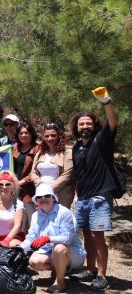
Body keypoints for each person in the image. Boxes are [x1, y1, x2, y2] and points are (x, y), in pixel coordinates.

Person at [68, 87, 118, 291]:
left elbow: (113, 123)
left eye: (88, 123)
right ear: (76, 127)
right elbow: (79, 174)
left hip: (99, 197)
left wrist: (106, 102)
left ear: (94, 125)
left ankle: (102, 275)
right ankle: (90, 270)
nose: (85, 126)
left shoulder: (101, 140)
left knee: (98, 236)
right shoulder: (77, 147)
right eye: (82, 123)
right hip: (83, 198)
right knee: (86, 235)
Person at [20, 184, 86, 293]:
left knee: (59, 248)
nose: (43, 199)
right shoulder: (36, 215)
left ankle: (60, 283)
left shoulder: (63, 212)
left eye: (47, 196)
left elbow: (67, 239)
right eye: (39, 197)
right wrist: (18, 249)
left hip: (72, 252)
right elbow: (31, 237)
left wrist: (48, 238)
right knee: (34, 261)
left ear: (53, 198)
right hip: (51, 251)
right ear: (36, 200)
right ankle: (60, 269)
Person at [30, 123, 75, 208]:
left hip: (61, 195)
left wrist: (49, 190)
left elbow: (67, 174)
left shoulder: (67, 152)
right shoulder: (40, 153)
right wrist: (40, 186)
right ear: (43, 138)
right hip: (42, 195)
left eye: (53, 135)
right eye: (47, 136)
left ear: (59, 136)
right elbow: (33, 172)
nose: (50, 138)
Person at [0, 170, 25, 247]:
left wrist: (7, 240)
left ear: (13, 186)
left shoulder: (18, 204)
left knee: (12, 245)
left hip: (13, 237)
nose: (4, 187)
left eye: (7, 184)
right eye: (1, 184)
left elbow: (17, 225)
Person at [13, 122, 41, 229]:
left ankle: (33, 244)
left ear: (31, 134)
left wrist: (21, 182)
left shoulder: (37, 148)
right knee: (18, 218)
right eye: (21, 133)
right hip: (16, 189)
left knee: (32, 218)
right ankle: (18, 244)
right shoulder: (15, 147)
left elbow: (37, 170)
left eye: (26, 133)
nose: (24, 135)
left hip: (29, 189)